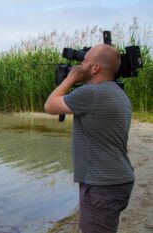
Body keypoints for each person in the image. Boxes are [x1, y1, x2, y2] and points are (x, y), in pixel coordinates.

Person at [44, 44, 135, 233]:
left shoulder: (91, 94)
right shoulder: (118, 93)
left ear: (95, 68)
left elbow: (50, 106)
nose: (79, 66)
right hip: (115, 180)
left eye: (84, 61)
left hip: (102, 185)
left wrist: (70, 78)